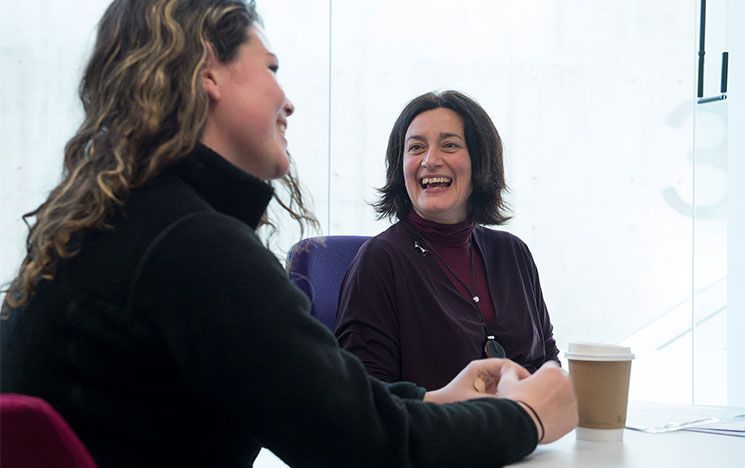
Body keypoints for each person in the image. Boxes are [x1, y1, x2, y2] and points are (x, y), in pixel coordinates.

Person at [0, 1, 577, 467]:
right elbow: (366, 447)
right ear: (207, 69)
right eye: (271, 69)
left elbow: (310, 399)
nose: (288, 101)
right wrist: (525, 418)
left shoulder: (127, 222)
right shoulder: (191, 246)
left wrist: (431, 398)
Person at [335, 90, 560, 391]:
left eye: (449, 145)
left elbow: (549, 363)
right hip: (431, 436)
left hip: (526, 435)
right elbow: (369, 397)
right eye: (415, 148)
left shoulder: (513, 253)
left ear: (480, 161)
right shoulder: (379, 260)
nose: (430, 160)